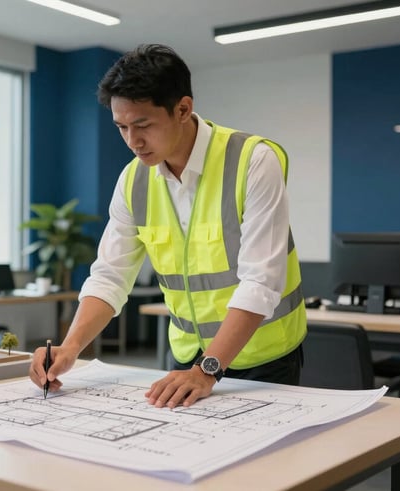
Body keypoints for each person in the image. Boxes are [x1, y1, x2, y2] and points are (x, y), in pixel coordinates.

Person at [29, 44, 306, 408]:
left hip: (264, 361)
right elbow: (111, 276)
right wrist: (70, 347)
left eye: (143, 125)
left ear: (183, 109)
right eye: (122, 127)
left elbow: (261, 282)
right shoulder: (133, 181)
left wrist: (207, 369)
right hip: (186, 362)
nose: (132, 141)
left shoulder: (253, 160)